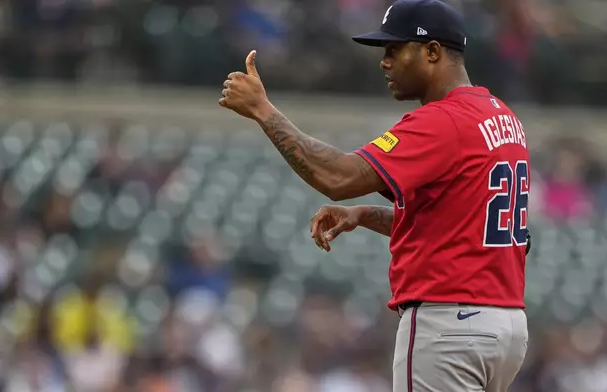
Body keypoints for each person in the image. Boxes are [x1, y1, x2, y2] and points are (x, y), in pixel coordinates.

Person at [219, 0, 531, 391]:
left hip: (449, 326)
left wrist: (263, 111)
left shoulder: (442, 120)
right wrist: (366, 214)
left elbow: (337, 175)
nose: (384, 62)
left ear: (432, 51)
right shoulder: (500, 114)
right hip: (505, 327)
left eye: (394, 49)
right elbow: (460, 225)